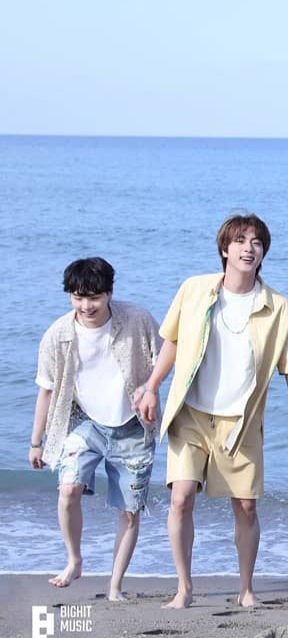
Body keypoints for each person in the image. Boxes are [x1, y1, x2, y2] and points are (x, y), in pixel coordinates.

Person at [135, 213, 288, 609]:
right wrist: (151, 387)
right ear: (224, 249)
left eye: (256, 242)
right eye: (240, 241)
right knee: (181, 498)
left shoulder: (280, 308)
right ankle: (184, 588)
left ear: (263, 252)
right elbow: (172, 342)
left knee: (246, 507)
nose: (249, 248)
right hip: (191, 414)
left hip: (241, 421)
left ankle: (246, 589)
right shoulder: (195, 290)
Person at [28, 257, 160, 601]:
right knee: (68, 490)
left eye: (94, 298)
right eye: (77, 297)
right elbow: (46, 390)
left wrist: (149, 388)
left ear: (109, 294)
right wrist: (36, 442)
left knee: (129, 511)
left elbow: (165, 358)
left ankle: (115, 586)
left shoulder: (137, 319)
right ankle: (74, 561)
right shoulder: (57, 335)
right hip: (84, 422)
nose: (86, 306)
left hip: (134, 427)